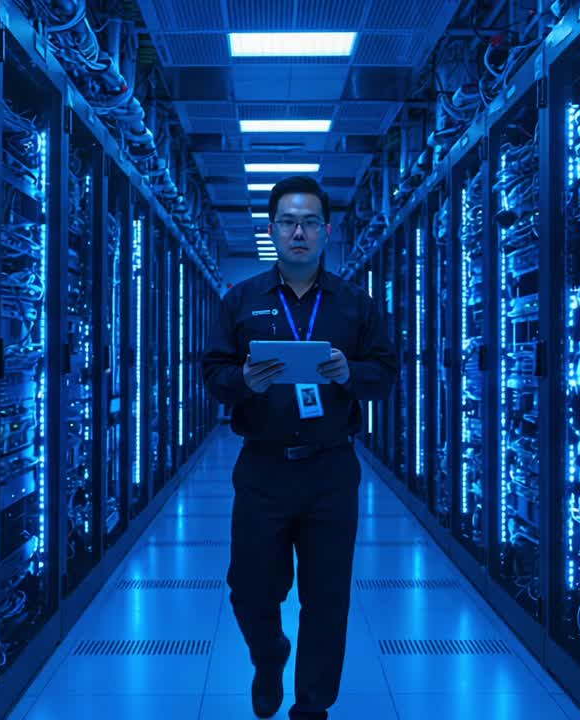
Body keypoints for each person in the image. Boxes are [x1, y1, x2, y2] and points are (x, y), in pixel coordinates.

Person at [201, 176, 399, 720]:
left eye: (310, 222)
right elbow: (211, 373)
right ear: (272, 231)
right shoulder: (241, 301)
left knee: (326, 599)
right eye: (288, 221)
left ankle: (311, 706)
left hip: (331, 471)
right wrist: (245, 381)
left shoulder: (356, 305)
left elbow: (385, 374)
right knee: (249, 590)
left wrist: (347, 372)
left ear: (326, 232)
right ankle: (269, 658)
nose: (299, 232)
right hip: (262, 469)